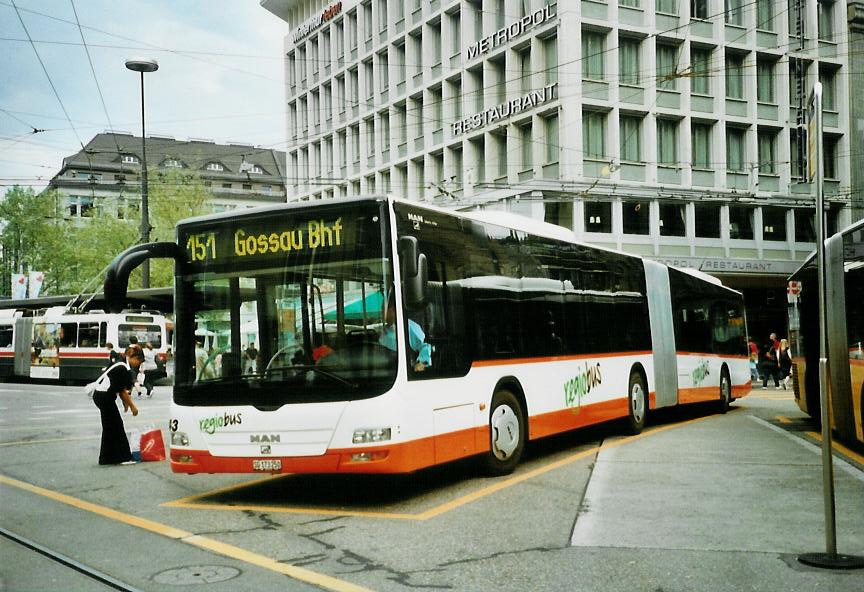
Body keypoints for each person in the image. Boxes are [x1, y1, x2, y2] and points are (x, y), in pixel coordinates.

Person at [92, 345, 143, 465]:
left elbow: (121, 389)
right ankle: (122, 457)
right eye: (139, 361)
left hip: (101, 396)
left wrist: (126, 404)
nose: (138, 364)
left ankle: (107, 458)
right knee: (116, 426)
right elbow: (122, 392)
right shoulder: (122, 368)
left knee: (110, 427)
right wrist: (133, 407)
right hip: (105, 397)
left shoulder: (120, 364)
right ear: (133, 357)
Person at [379, 294, 432, 372]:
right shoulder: (385, 330)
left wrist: (421, 363)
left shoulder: (409, 327)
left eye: (383, 309)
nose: (381, 313)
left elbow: (425, 346)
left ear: (393, 310)